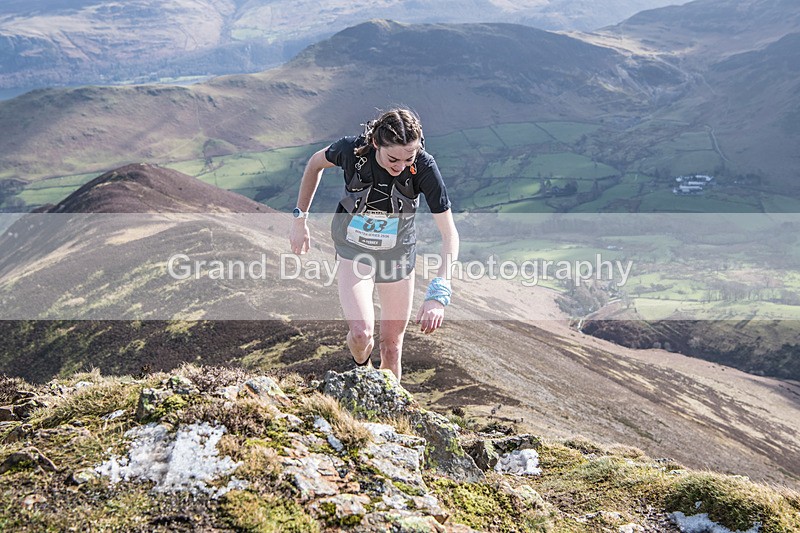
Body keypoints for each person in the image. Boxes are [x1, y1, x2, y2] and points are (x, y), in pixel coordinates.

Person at [289, 108, 459, 381]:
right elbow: (314, 164)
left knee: (391, 348)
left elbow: (450, 235)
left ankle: (387, 403)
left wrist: (439, 294)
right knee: (361, 334)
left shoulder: (424, 166)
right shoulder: (352, 151)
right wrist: (300, 219)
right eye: (393, 159)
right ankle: (364, 373)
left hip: (397, 254)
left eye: (408, 158)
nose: (400, 166)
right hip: (354, 249)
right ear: (376, 143)